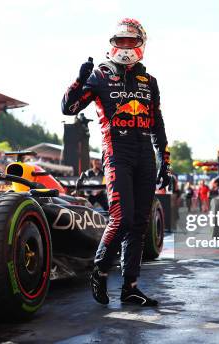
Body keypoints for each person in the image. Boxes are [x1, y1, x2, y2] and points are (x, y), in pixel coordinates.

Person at [61, 18, 170, 306]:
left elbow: (157, 123)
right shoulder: (98, 75)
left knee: (139, 224)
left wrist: (165, 161)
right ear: (112, 43)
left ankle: (130, 287)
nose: (124, 46)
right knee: (121, 219)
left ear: (140, 44)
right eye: (119, 41)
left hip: (145, 155)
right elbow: (68, 107)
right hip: (116, 153)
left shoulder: (150, 81)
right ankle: (99, 271)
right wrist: (78, 80)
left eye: (129, 41)